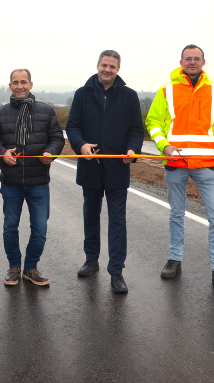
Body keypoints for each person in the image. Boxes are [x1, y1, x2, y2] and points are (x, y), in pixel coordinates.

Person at [146, 44, 214, 294]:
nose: (192, 62)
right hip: (176, 163)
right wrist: (163, 145)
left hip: (207, 164)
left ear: (204, 62)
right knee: (177, 214)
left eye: (197, 58)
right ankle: (175, 259)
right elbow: (153, 122)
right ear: (181, 62)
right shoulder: (166, 90)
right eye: (188, 59)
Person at [66, 51, 144, 293]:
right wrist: (80, 145)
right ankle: (91, 260)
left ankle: (116, 271)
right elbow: (72, 126)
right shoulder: (82, 93)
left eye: (112, 66)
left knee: (117, 221)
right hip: (90, 167)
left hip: (117, 169)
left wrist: (132, 149)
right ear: (97, 65)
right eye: (104, 65)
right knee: (91, 215)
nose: (107, 70)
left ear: (118, 69)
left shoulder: (129, 96)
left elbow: (136, 130)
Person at [0, 69, 64, 287]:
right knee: (10, 227)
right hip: (10, 183)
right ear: (9, 86)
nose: (20, 86)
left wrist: (51, 153)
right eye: (15, 82)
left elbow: (57, 137)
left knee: (40, 228)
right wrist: (2, 153)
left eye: (23, 82)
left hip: (39, 182)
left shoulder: (46, 112)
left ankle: (31, 268)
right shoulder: (0, 114)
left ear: (31, 84)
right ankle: (14, 267)